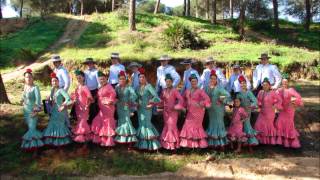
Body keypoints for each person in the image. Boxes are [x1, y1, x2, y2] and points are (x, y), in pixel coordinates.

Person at [180, 74, 211, 149]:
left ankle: (198, 145)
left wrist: (201, 103)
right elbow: (183, 99)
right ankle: (189, 145)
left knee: (196, 127)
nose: (193, 83)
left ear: (197, 82)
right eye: (192, 81)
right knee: (187, 126)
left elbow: (207, 99)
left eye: (195, 81)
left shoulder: (200, 91)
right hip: (189, 112)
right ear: (190, 82)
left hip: (198, 112)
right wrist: (183, 107)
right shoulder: (187, 91)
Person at [43, 73, 72, 149]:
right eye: (53, 81)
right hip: (53, 111)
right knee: (52, 124)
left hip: (60, 111)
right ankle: (53, 141)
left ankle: (61, 143)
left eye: (56, 81)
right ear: (51, 83)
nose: (54, 82)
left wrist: (64, 105)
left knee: (60, 125)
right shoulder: (52, 90)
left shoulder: (61, 90)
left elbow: (68, 99)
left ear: (58, 82)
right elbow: (51, 100)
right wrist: (48, 99)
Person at [135, 68, 161, 151]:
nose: (141, 79)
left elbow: (157, 97)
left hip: (147, 109)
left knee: (147, 124)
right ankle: (142, 145)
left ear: (145, 78)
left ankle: (152, 145)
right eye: (140, 77)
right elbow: (135, 97)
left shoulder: (149, 86)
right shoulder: (138, 87)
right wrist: (136, 103)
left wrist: (152, 104)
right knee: (141, 125)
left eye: (143, 77)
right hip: (140, 109)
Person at [205, 70, 231, 149]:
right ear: (209, 79)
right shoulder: (207, 88)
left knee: (219, 124)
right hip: (211, 110)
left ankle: (222, 144)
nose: (212, 80)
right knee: (212, 124)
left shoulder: (219, 88)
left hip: (219, 109)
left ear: (216, 80)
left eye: (214, 79)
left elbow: (228, 94)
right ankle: (214, 144)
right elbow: (204, 96)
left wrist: (221, 100)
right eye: (211, 78)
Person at [275, 74, 303, 148]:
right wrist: (278, 106)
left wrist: (294, 102)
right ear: (281, 83)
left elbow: (298, 97)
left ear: (288, 83)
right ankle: (282, 140)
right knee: (279, 122)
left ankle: (290, 141)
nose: (284, 83)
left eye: (286, 82)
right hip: (282, 110)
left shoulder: (291, 90)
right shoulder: (279, 90)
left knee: (289, 124)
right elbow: (275, 99)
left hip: (290, 110)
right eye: (283, 82)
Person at [158, 74, 184, 151]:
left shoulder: (175, 90)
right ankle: (166, 146)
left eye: (169, 81)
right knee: (166, 126)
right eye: (167, 81)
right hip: (165, 113)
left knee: (172, 127)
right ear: (165, 82)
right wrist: (157, 105)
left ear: (172, 82)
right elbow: (161, 100)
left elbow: (181, 100)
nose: (168, 83)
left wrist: (176, 107)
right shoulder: (164, 90)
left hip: (173, 113)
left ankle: (174, 146)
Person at [91, 71, 117, 147]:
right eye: (100, 79)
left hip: (108, 108)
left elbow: (113, 94)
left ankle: (109, 141)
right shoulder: (101, 87)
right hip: (102, 109)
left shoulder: (109, 86)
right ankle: (102, 140)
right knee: (98, 120)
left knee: (107, 123)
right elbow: (99, 96)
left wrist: (110, 101)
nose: (101, 80)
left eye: (103, 79)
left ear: (106, 79)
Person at [20, 69, 44, 154]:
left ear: (32, 78)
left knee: (32, 129)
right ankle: (30, 146)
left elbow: (38, 101)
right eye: (26, 77)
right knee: (30, 128)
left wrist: (36, 111)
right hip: (26, 111)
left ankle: (35, 150)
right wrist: (21, 100)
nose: (28, 78)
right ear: (25, 78)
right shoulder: (25, 87)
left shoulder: (35, 88)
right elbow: (23, 97)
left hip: (33, 111)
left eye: (30, 77)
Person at [71, 69, 93, 154]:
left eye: (80, 77)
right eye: (77, 78)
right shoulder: (77, 87)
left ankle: (86, 143)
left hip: (84, 108)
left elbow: (90, 98)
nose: (78, 79)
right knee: (80, 123)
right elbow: (74, 96)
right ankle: (81, 141)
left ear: (83, 78)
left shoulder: (85, 87)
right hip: (78, 108)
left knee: (83, 124)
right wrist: (74, 99)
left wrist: (87, 105)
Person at [254, 78, 282, 145]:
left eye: (266, 85)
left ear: (269, 86)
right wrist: (258, 104)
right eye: (263, 85)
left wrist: (275, 106)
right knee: (258, 124)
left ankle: (270, 141)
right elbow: (257, 100)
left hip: (270, 112)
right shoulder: (261, 92)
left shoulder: (272, 92)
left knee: (268, 126)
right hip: (262, 111)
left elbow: (279, 100)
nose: (265, 86)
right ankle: (261, 140)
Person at [114, 71, 138, 150]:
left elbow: (134, 95)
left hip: (126, 108)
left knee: (127, 122)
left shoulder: (129, 87)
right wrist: (115, 99)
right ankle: (121, 140)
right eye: (120, 79)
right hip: (119, 107)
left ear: (126, 79)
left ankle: (130, 142)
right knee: (121, 122)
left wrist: (129, 101)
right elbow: (115, 95)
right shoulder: (117, 87)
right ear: (118, 80)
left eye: (123, 79)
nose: (121, 80)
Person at [236, 75, 259, 151]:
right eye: (241, 83)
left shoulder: (249, 92)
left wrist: (251, 106)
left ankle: (250, 145)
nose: (243, 84)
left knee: (247, 127)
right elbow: (236, 103)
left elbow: (255, 101)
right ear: (240, 85)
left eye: (244, 83)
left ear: (246, 84)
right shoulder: (238, 94)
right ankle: (240, 146)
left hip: (247, 112)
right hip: (240, 114)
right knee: (240, 129)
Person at [51, 54, 71, 128]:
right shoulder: (55, 70)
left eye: (56, 62)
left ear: (59, 62)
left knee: (63, 109)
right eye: (54, 62)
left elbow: (67, 82)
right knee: (57, 108)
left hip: (62, 90)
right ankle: (60, 124)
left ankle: (68, 126)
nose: (55, 63)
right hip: (56, 90)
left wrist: (63, 92)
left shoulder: (63, 70)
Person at [83, 57, 100, 124]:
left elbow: (98, 82)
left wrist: (98, 90)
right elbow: (85, 81)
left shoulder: (96, 71)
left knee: (94, 106)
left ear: (93, 64)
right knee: (88, 105)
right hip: (88, 91)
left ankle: (94, 120)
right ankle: (90, 119)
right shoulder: (85, 72)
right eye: (88, 63)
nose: (89, 64)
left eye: (90, 63)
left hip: (95, 90)